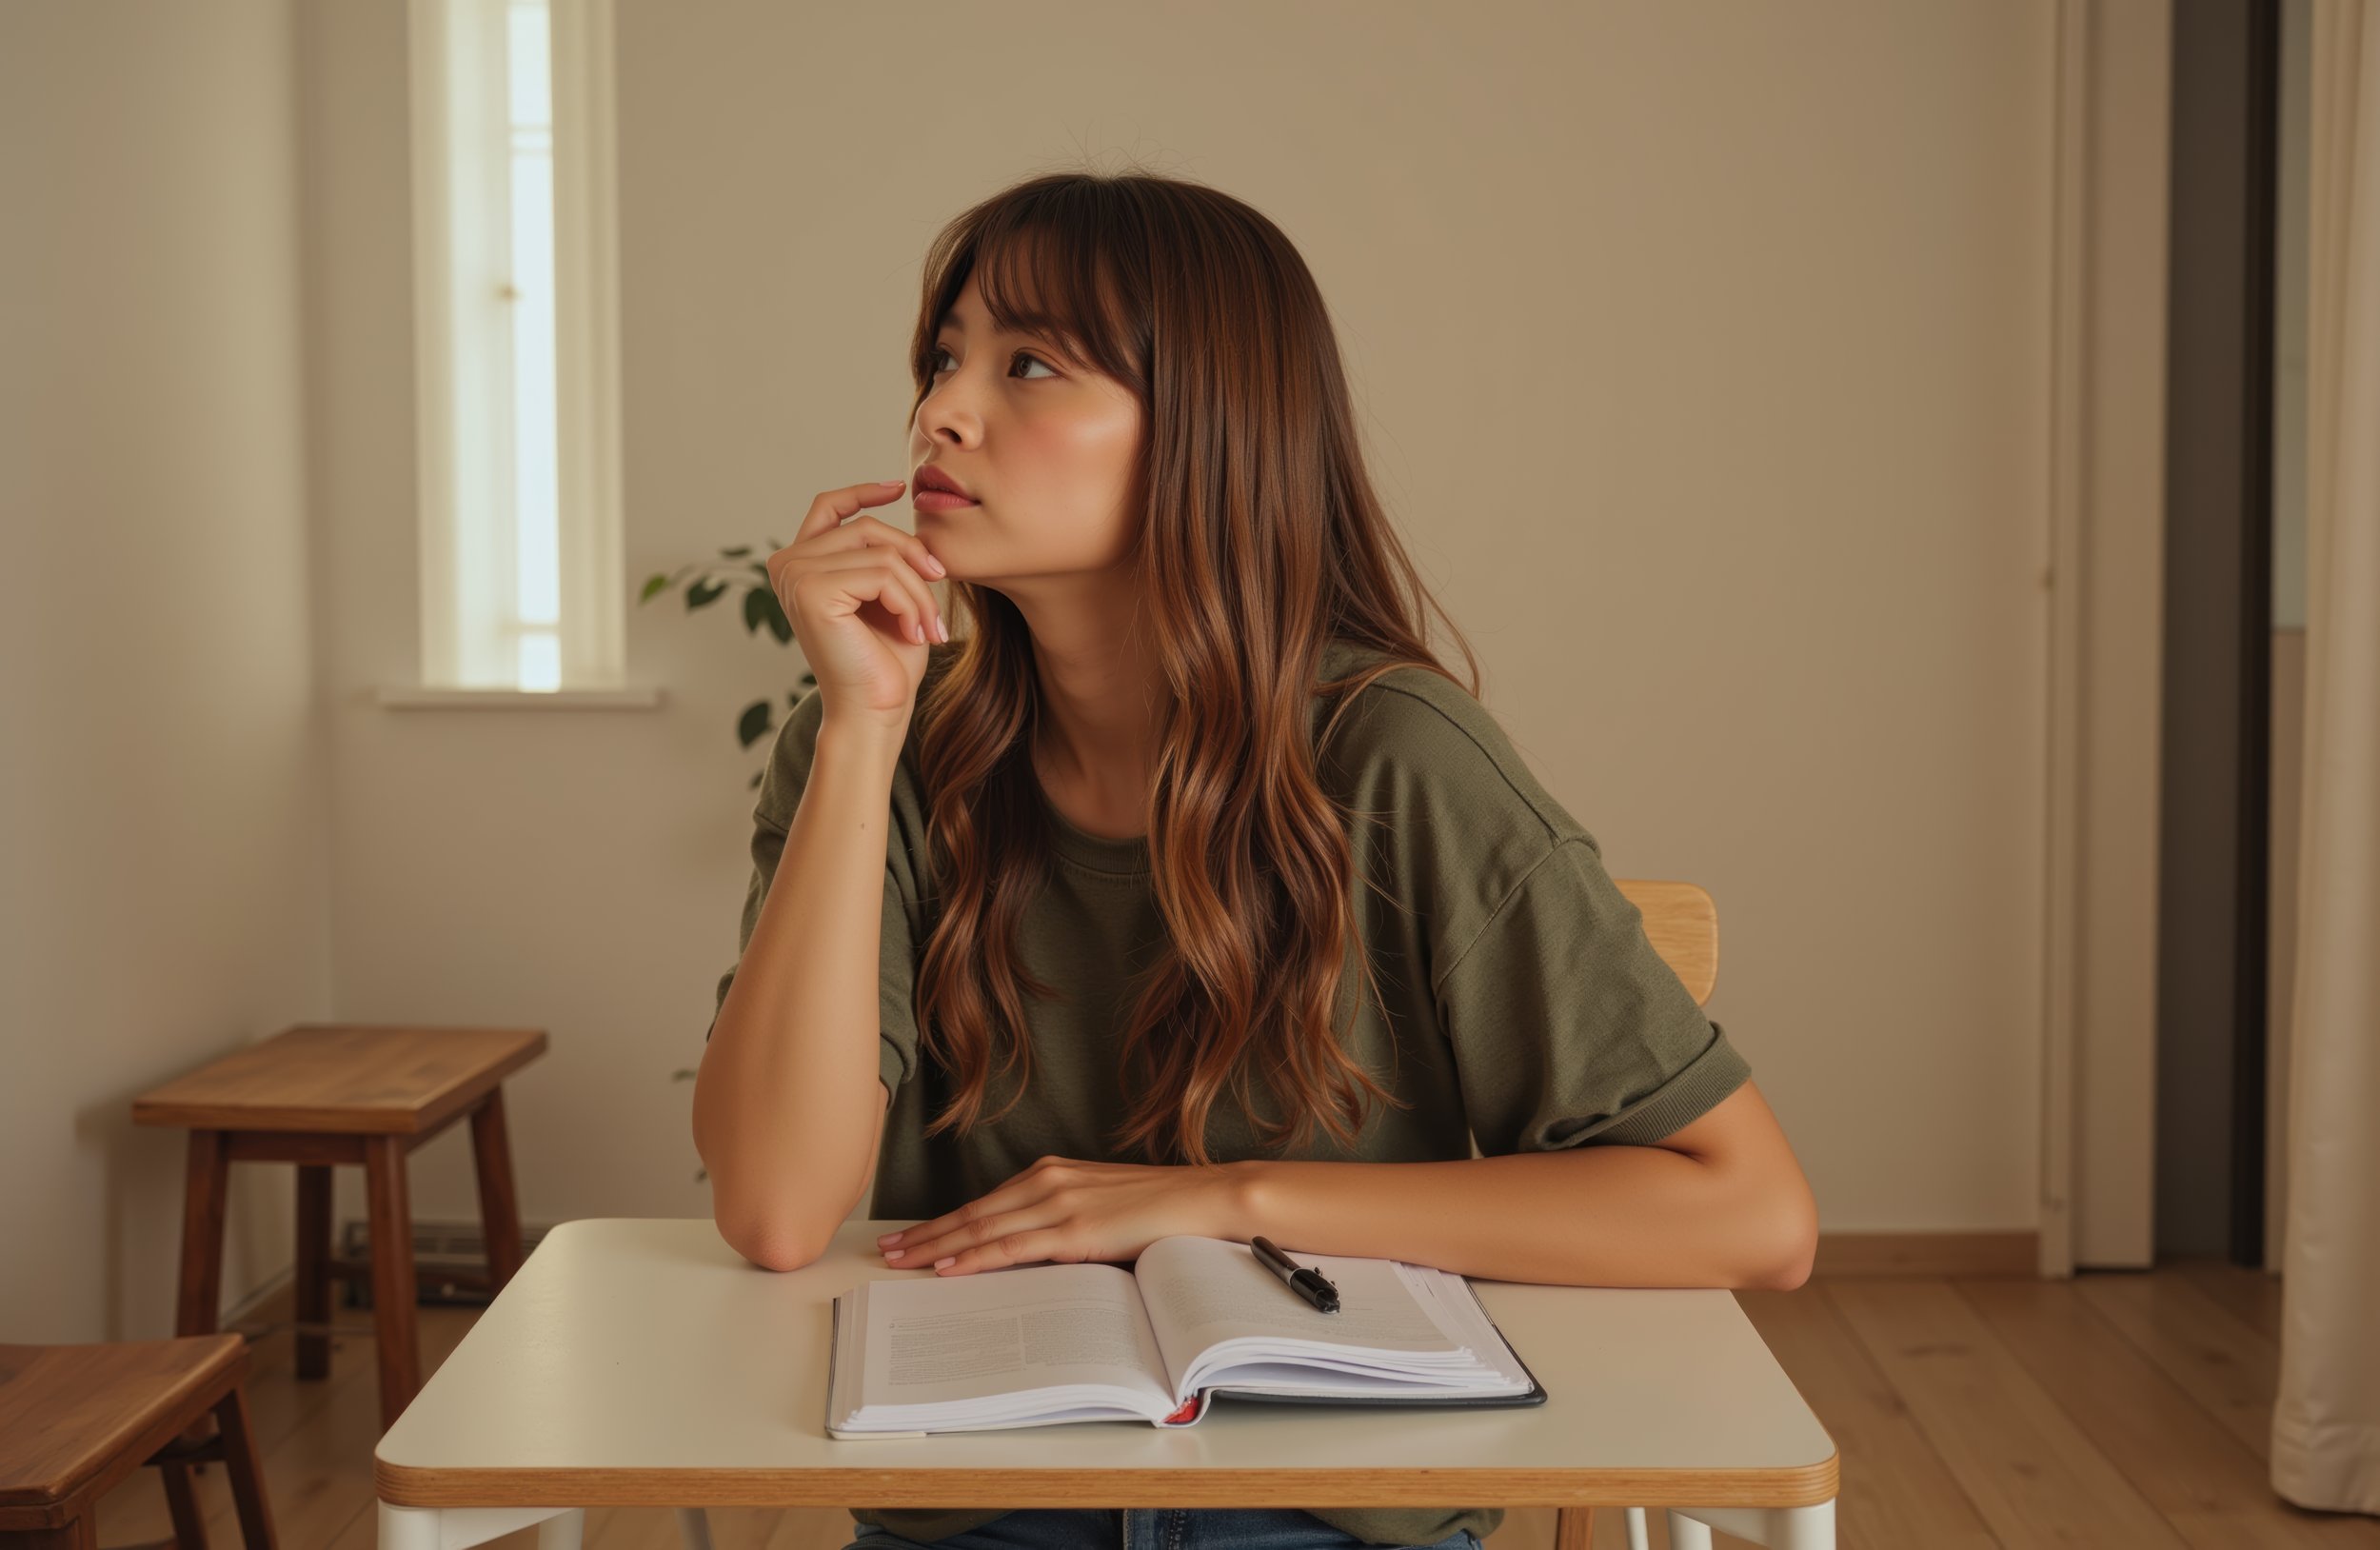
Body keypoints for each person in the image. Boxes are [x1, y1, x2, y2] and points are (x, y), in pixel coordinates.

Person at [692, 169, 1819, 1550]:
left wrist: (1220, 1201)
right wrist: (864, 732)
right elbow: (774, 1209)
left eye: (1029, 362)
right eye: (944, 356)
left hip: (1330, 1513)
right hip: (983, 1506)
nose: (941, 410)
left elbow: (1756, 1216)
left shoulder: (1394, 758)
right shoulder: (876, 745)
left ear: (1207, 431)